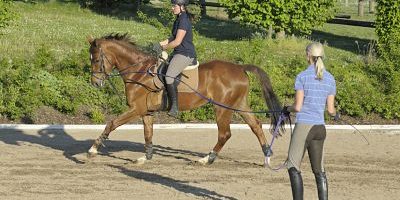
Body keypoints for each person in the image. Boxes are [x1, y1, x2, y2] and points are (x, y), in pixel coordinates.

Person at [283, 42, 337, 200]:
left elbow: (298, 107)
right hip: (320, 128)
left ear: (308, 56)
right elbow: (331, 110)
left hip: (305, 126)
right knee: (319, 170)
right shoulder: (330, 78)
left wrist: (287, 109)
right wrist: (336, 115)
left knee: (292, 166)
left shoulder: (302, 76)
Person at [159, 0, 196, 118]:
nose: (172, 8)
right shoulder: (178, 20)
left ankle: (174, 107)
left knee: (169, 77)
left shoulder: (184, 20)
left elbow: (177, 42)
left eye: (174, 6)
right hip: (178, 52)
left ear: (182, 7)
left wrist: (163, 48)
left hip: (185, 54)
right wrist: (158, 45)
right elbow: (172, 38)